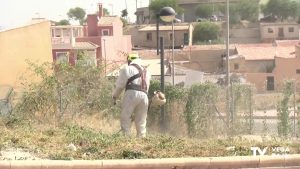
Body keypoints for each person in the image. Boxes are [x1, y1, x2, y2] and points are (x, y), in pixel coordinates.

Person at [112, 53, 151, 137]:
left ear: (129, 60)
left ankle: (126, 136)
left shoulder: (127, 69)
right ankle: (142, 138)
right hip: (144, 95)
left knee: (125, 116)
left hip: (131, 93)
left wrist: (115, 96)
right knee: (141, 120)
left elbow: (120, 86)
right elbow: (147, 86)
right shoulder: (146, 71)